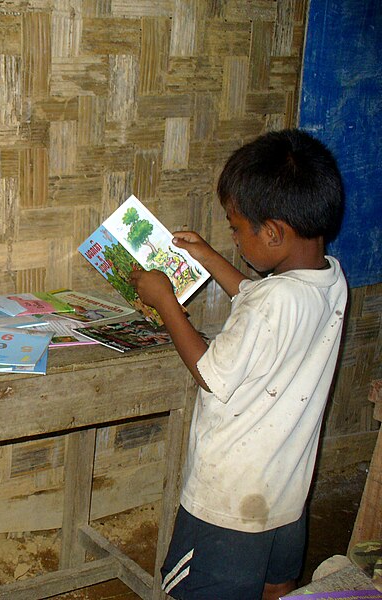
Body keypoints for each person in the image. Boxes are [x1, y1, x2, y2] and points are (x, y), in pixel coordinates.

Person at [129, 129, 348, 600]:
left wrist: (166, 301)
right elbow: (259, 299)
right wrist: (208, 257)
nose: (232, 236)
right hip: (284, 495)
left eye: (235, 227)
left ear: (272, 232)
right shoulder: (328, 279)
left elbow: (213, 374)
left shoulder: (271, 305)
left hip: (227, 504)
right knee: (278, 585)